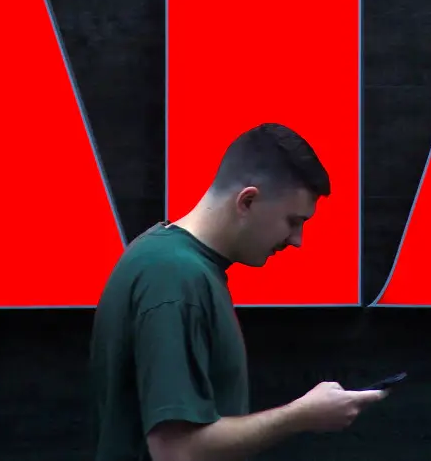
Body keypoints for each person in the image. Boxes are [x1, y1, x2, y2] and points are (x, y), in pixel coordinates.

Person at [88, 122, 387, 461]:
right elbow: (177, 452)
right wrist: (301, 416)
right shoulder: (173, 279)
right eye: (293, 220)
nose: (297, 240)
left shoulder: (171, 264)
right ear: (247, 201)